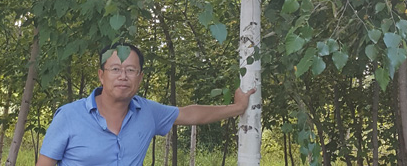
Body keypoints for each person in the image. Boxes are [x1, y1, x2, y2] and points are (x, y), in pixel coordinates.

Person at [35, 43, 256, 166]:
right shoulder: (69, 116)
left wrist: (237, 108)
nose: (123, 76)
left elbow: (191, 114)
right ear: (101, 75)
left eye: (130, 70)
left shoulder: (148, 112)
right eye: (115, 69)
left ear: (140, 77)